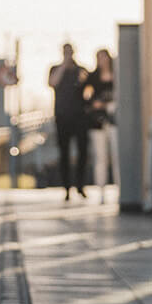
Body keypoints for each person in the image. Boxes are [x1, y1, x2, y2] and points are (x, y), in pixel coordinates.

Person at [48, 43, 91, 200]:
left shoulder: (81, 70)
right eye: (65, 52)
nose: (68, 54)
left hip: (80, 117)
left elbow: (89, 90)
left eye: (70, 52)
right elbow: (53, 83)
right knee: (64, 153)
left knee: (82, 152)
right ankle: (66, 188)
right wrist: (63, 66)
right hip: (62, 116)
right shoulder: (55, 69)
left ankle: (80, 186)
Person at [84, 47, 119, 204]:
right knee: (100, 157)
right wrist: (94, 104)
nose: (102, 61)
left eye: (104, 57)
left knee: (117, 155)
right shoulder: (92, 77)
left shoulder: (117, 75)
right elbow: (84, 96)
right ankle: (101, 192)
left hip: (114, 121)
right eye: (99, 58)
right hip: (97, 122)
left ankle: (120, 190)